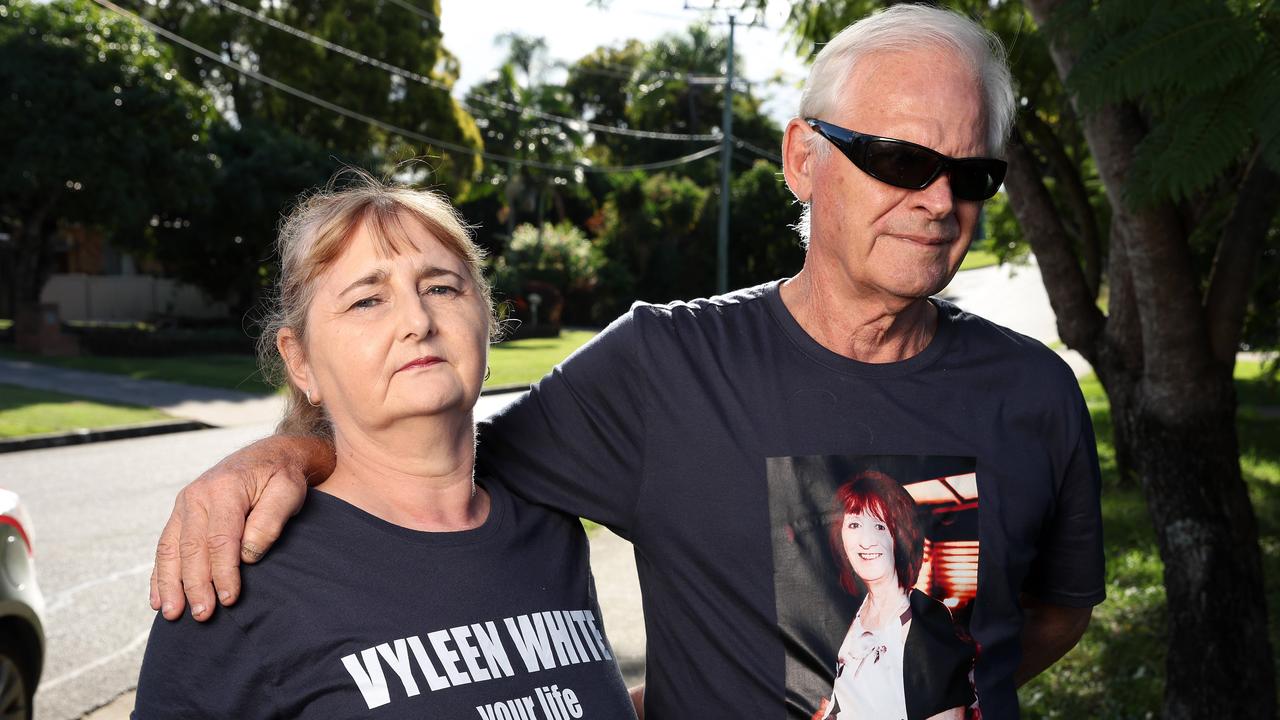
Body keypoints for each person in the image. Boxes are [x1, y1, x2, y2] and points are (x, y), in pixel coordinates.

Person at [149, 6, 1104, 718]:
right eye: (900, 160)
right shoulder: (661, 366)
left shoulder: (1036, 393)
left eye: (971, 174)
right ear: (804, 158)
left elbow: (1049, 619)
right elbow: (425, 447)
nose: (939, 200)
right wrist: (279, 455)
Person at [132, 175, 638, 718]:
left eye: (441, 287)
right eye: (368, 300)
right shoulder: (243, 577)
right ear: (300, 361)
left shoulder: (546, 526)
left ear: (487, 321)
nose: (417, 322)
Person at [814, 472, 973, 720]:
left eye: (879, 526)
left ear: (901, 537)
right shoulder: (842, 617)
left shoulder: (929, 619)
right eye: (854, 524)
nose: (866, 541)